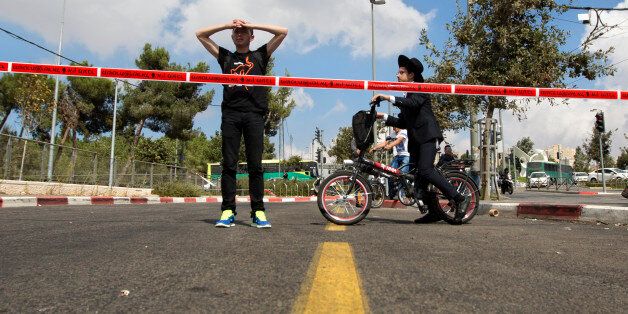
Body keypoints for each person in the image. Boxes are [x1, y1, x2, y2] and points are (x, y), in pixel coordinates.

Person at [196, 19, 288, 228]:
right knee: (229, 165)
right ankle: (228, 210)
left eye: (244, 32)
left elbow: (283, 32)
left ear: (251, 37)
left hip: (254, 115)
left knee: (256, 165)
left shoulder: (259, 56)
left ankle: (258, 212)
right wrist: (227, 25)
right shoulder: (226, 57)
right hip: (231, 115)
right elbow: (200, 34)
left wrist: (253, 23)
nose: (239, 34)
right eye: (236, 32)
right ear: (232, 36)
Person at [372, 55, 470, 223]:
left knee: (425, 170)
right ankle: (434, 212)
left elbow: (412, 104)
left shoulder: (419, 89)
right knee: (419, 176)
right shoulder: (408, 94)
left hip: (427, 137)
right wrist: (382, 116)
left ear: (411, 75)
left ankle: (459, 198)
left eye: (401, 72)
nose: (397, 75)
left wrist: (387, 97)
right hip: (416, 140)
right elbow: (403, 121)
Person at [370, 127, 410, 198]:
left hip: (406, 156)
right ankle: (391, 195)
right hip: (398, 156)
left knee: (402, 175)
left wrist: (390, 145)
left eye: (395, 127)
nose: (394, 129)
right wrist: (375, 147)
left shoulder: (404, 131)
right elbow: (385, 143)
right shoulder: (393, 134)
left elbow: (399, 140)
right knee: (390, 173)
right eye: (393, 128)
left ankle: (402, 195)